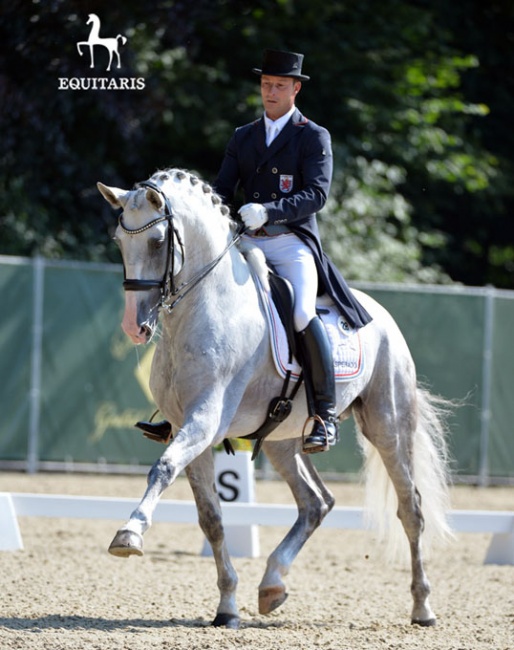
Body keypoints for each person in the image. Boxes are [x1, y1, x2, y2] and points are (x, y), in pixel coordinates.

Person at [214, 49, 372, 453]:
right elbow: (221, 190)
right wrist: (222, 215)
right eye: (266, 84)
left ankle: (324, 414)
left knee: (301, 312)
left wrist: (267, 209)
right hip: (247, 240)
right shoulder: (242, 136)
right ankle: (182, 403)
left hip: (291, 242)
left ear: (295, 89)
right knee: (206, 298)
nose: (270, 91)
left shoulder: (312, 136)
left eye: (279, 85)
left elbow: (316, 194)